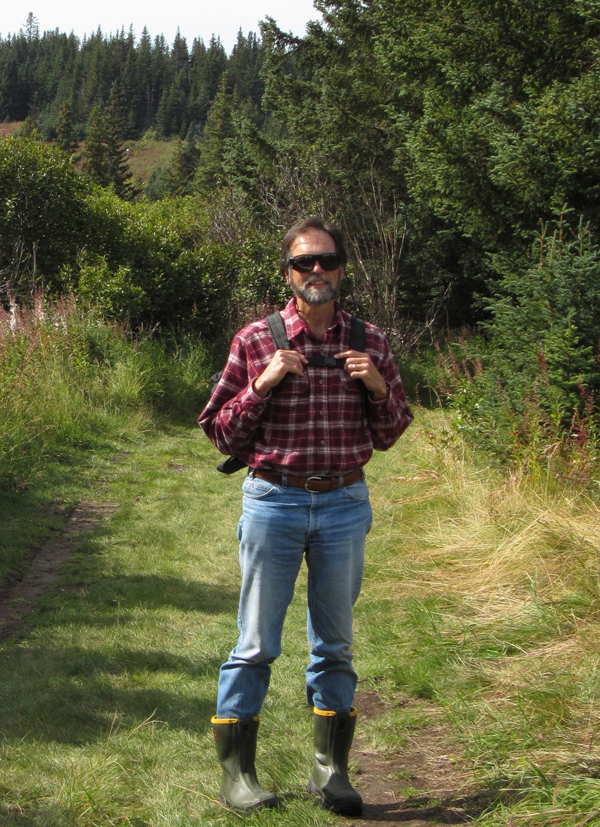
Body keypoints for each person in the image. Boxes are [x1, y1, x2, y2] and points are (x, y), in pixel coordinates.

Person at [198, 217, 413, 815]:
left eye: (327, 261)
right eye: (304, 263)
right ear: (288, 272)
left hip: (344, 503)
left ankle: (331, 772)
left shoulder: (370, 341)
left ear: (343, 268)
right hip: (274, 500)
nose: (316, 271)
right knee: (256, 642)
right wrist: (262, 385)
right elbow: (218, 431)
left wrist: (377, 388)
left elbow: (393, 432)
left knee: (336, 644)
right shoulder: (255, 340)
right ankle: (238, 775)